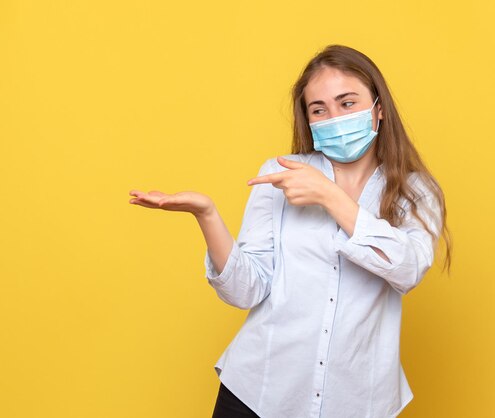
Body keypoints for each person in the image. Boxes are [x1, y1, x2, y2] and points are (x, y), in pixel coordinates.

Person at [129, 44, 451, 418]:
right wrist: (207, 215)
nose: (334, 117)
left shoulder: (417, 192)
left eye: (347, 103)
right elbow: (246, 290)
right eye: (319, 109)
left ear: (378, 109)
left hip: (357, 403)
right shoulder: (280, 174)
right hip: (258, 392)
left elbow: (406, 269)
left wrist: (330, 196)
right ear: (309, 121)